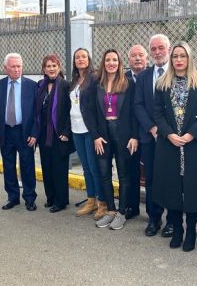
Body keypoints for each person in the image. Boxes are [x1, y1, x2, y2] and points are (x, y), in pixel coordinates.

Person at [153, 42, 197, 252]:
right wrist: (169, 133)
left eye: (183, 56)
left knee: (192, 189)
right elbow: (157, 113)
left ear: (189, 58)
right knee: (172, 189)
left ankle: (192, 231)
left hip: (191, 145)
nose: (179, 60)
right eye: (175, 56)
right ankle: (177, 229)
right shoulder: (162, 83)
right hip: (169, 145)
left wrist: (191, 134)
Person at [87, 49, 138, 230]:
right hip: (103, 134)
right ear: (103, 63)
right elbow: (89, 111)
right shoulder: (96, 84)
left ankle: (122, 212)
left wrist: (134, 136)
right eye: (108, 60)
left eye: (114, 60)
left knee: (124, 175)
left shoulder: (128, 83)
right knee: (104, 174)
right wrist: (95, 136)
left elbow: (134, 112)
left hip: (122, 133)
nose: (111, 63)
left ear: (119, 62)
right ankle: (111, 210)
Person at [134, 34, 174, 237]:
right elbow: (138, 105)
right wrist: (151, 127)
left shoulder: (178, 73)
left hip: (173, 138)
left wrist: (168, 131)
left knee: (172, 180)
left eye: (161, 48)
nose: (158, 52)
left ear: (169, 49)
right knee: (151, 179)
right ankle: (154, 218)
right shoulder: (142, 77)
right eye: (154, 49)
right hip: (150, 137)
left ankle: (172, 221)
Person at [0, 53, 38, 211]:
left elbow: (37, 113)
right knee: (8, 165)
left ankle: (30, 197)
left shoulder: (32, 86)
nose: (17, 69)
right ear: (5, 68)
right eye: (13, 66)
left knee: (27, 165)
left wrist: (34, 132)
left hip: (24, 132)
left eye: (19, 66)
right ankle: (13, 197)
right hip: (5, 131)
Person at [34, 54, 74, 213]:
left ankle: (61, 200)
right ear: (44, 69)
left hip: (59, 134)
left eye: (54, 66)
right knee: (47, 167)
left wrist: (66, 131)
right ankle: (50, 197)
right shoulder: (40, 85)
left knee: (59, 168)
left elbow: (72, 111)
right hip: (43, 134)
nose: (51, 69)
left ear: (59, 68)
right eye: (48, 66)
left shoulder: (66, 85)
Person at [69, 48, 104, 218]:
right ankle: (90, 201)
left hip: (90, 130)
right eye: (77, 57)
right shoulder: (75, 80)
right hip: (76, 130)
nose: (80, 59)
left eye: (83, 56)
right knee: (85, 168)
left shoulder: (95, 78)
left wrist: (97, 132)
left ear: (89, 59)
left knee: (94, 167)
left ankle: (102, 202)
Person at [124, 44, 147, 220]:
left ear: (146, 58)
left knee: (153, 174)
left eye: (141, 55)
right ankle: (131, 206)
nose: (137, 58)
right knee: (130, 172)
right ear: (128, 59)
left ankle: (155, 212)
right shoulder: (122, 79)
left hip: (149, 133)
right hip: (128, 134)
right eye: (134, 56)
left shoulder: (154, 76)